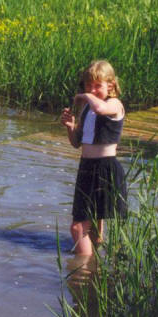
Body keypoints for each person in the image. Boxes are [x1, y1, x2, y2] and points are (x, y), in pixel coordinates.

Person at [60, 60, 128, 256]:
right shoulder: (88, 110)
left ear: (111, 85)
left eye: (97, 85)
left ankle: (83, 267)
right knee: (93, 229)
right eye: (88, 85)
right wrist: (71, 127)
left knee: (77, 227)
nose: (92, 90)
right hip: (87, 167)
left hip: (105, 167)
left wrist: (86, 96)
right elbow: (76, 143)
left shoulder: (114, 103)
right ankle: (96, 267)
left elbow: (100, 108)